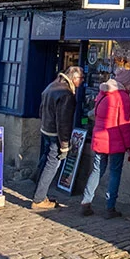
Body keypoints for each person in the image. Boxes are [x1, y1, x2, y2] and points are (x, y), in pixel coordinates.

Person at [80, 68, 130, 219]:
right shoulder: (122, 97)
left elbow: (96, 115)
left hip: (99, 138)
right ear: (125, 82)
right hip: (114, 141)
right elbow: (124, 125)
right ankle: (110, 207)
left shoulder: (102, 93)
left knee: (97, 170)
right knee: (115, 173)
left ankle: (86, 201)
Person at [30, 68, 81, 210]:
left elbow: (41, 109)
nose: (81, 81)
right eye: (80, 78)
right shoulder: (66, 94)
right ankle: (39, 199)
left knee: (45, 161)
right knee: (52, 164)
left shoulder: (52, 86)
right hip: (55, 134)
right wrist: (65, 145)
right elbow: (64, 122)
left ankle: (39, 193)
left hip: (46, 130)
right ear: (74, 78)